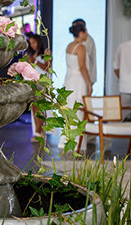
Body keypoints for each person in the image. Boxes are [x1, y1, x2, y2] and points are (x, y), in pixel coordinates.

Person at [58, 23, 93, 152]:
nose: (87, 34)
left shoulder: (69, 45)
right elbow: (82, 67)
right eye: (86, 31)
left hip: (69, 79)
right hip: (78, 80)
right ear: (81, 33)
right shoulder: (81, 47)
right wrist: (89, 83)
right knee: (78, 108)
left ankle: (66, 140)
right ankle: (76, 143)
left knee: (69, 108)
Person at [113, 22, 131, 122]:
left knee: (121, 115)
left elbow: (115, 67)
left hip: (124, 86)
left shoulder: (122, 46)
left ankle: (117, 131)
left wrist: (123, 79)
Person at [26, 34, 51, 141]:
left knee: (40, 107)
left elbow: (48, 67)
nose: (32, 45)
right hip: (33, 82)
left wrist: (35, 62)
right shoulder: (32, 54)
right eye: (30, 43)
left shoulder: (46, 52)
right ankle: (38, 131)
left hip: (43, 82)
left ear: (38, 41)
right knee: (35, 108)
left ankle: (38, 132)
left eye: (34, 42)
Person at [72, 18, 96, 88]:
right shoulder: (76, 43)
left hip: (85, 76)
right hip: (80, 77)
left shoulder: (86, 41)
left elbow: (83, 63)